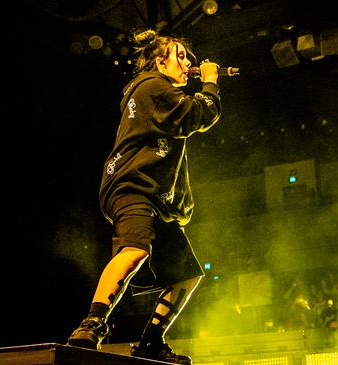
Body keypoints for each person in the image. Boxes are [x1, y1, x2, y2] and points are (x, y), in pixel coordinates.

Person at [66, 29, 222, 365]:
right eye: (178, 55)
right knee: (135, 249)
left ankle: (151, 341)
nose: (187, 63)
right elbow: (198, 115)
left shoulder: (160, 91)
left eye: (188, 57)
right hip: (134, 185)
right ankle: (91, 324)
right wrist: (210, 83)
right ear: (158, 61)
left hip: (154, 196)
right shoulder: (153, 86)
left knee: (186, 275)